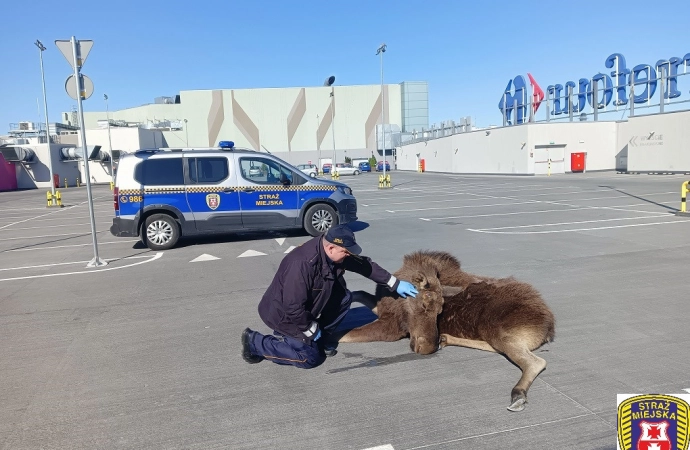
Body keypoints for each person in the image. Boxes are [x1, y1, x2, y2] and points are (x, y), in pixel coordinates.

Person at [241, 224, 418, 369]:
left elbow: (364, 265)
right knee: (310, 358)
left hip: (304, 307)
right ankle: (255, 343)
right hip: (284, 316)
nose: (348, 256)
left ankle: (321, 337)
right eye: (346, 252)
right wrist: (308, 327)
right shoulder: (302, 264)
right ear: (331, 247)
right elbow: (292, 307)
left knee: (343, 298)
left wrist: (393, 282)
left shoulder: (332, 252)